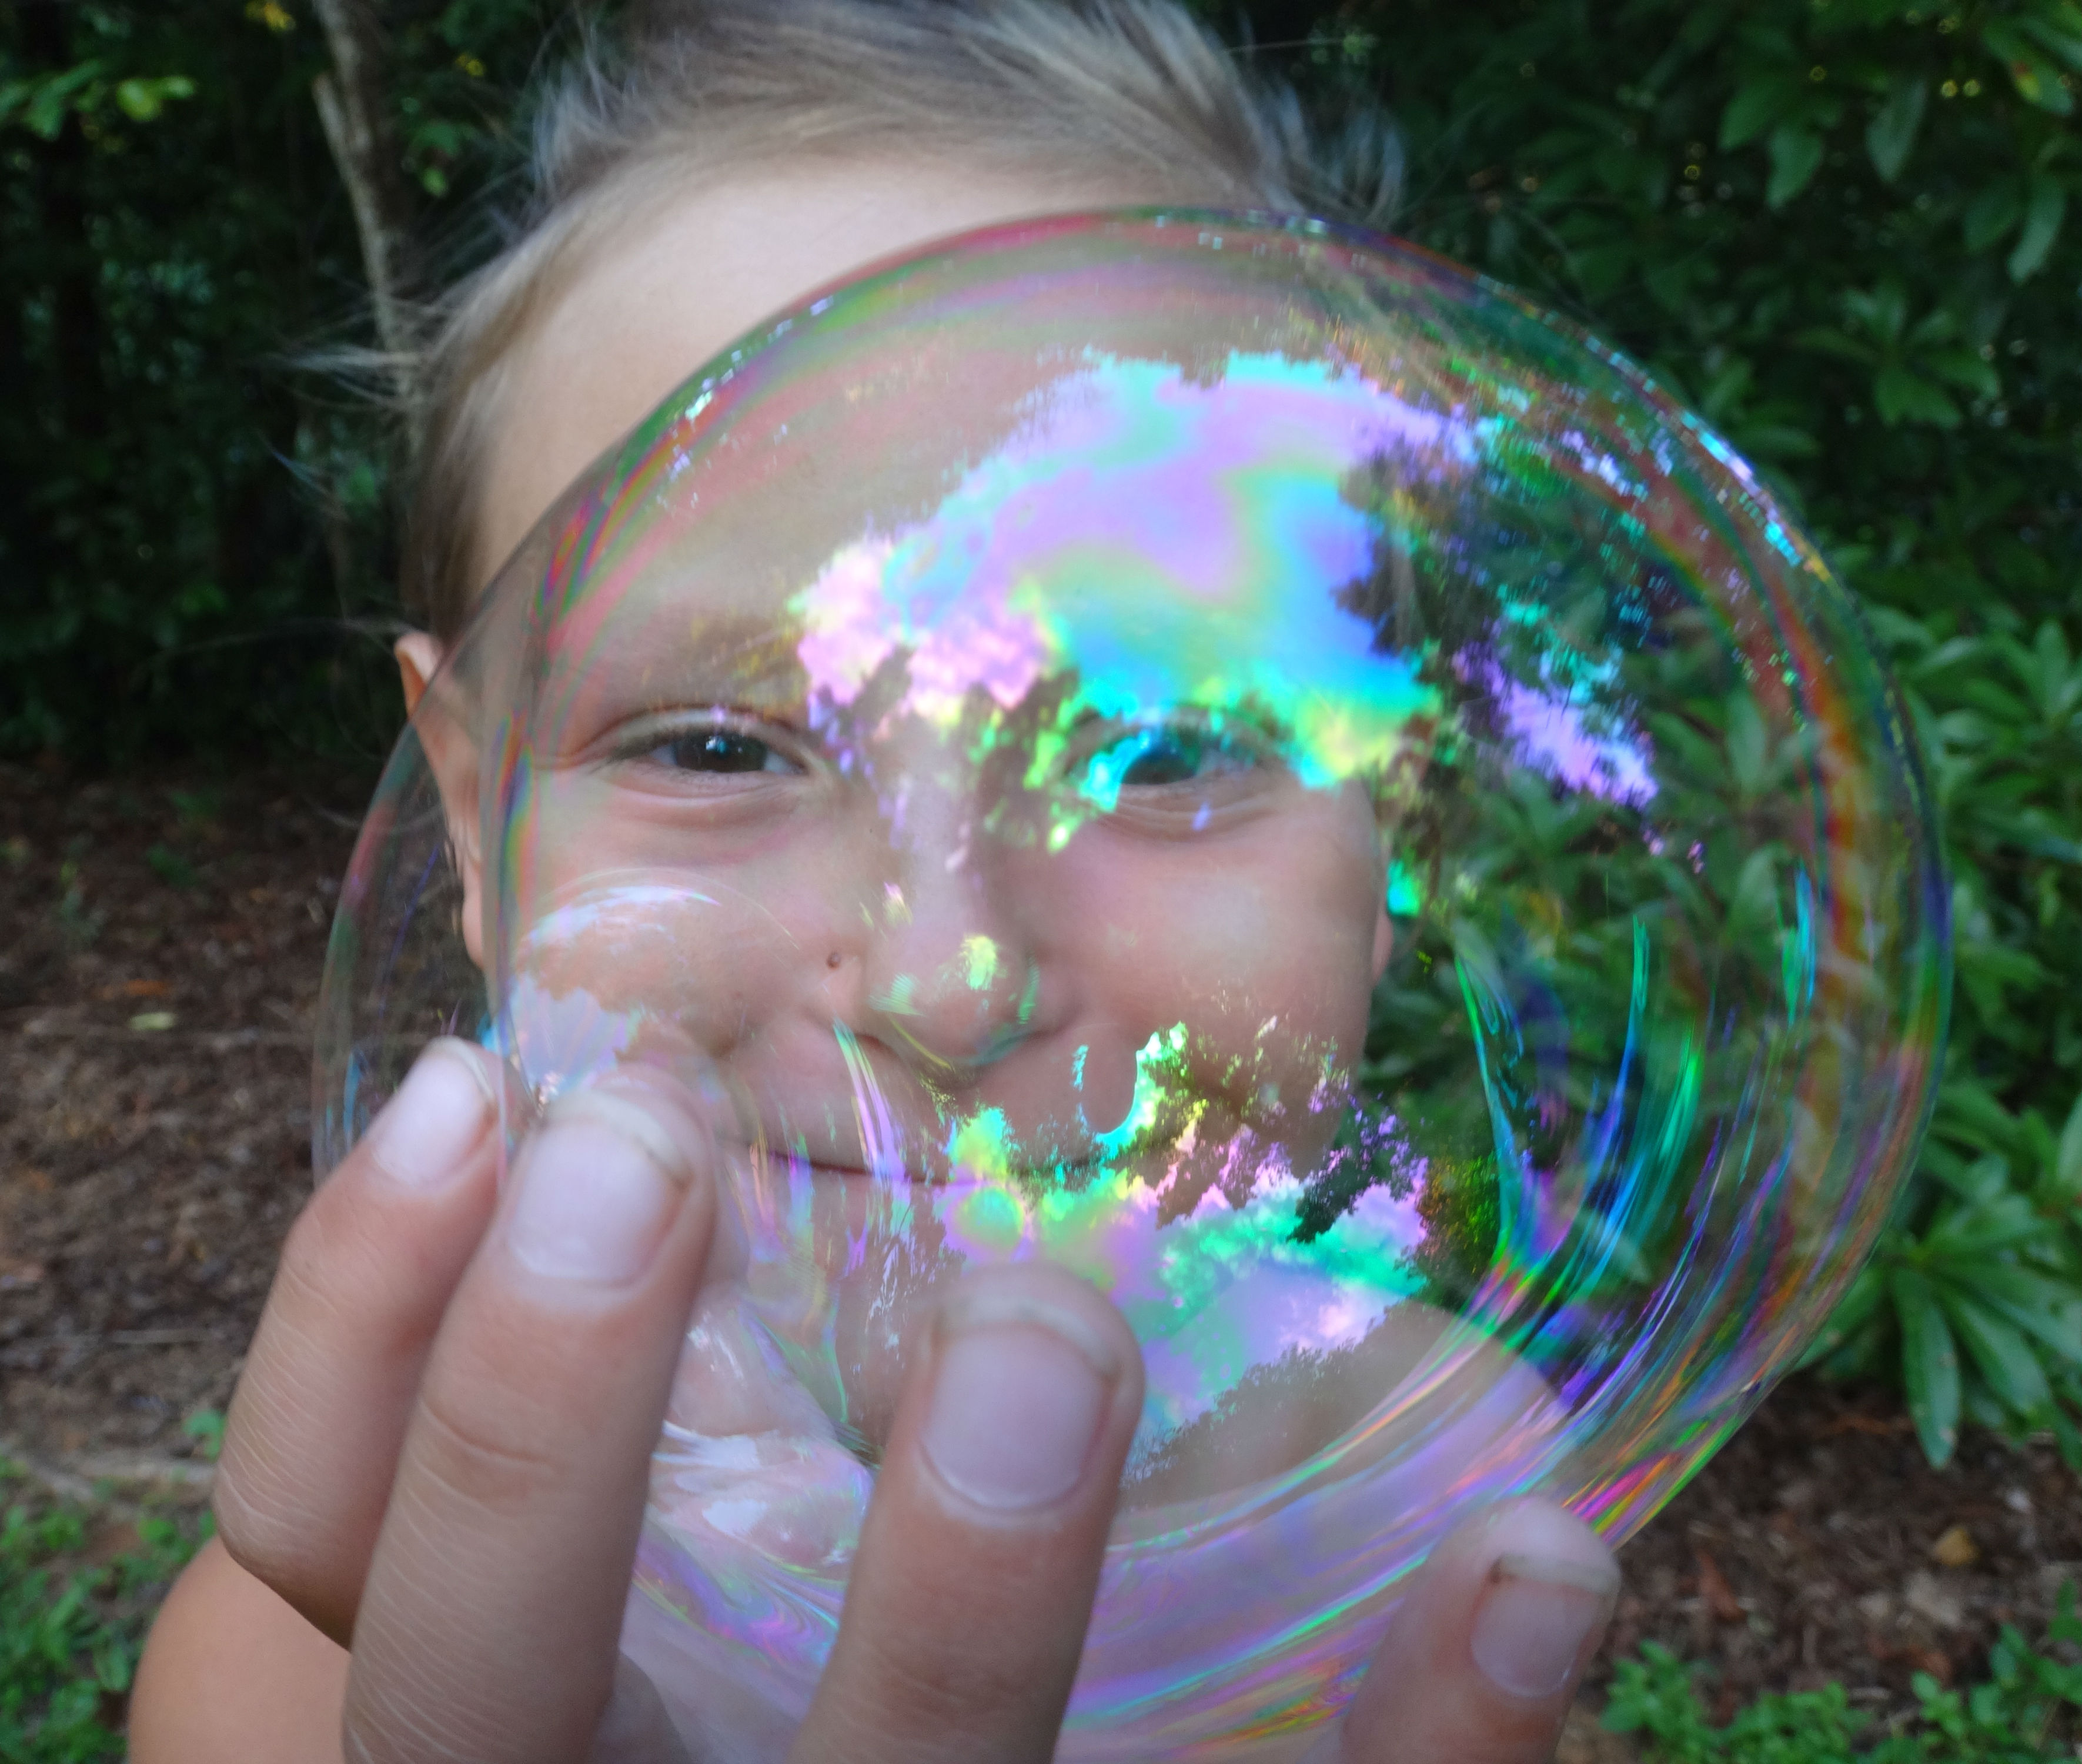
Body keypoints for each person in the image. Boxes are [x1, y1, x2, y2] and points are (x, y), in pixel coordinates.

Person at [129, 5, 1620, 1759]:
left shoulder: (1453, 1491)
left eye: (1162, 749)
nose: (945, 982)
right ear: (467, 817)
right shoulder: (312, 1656)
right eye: (716, 747)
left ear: (1397, 837)